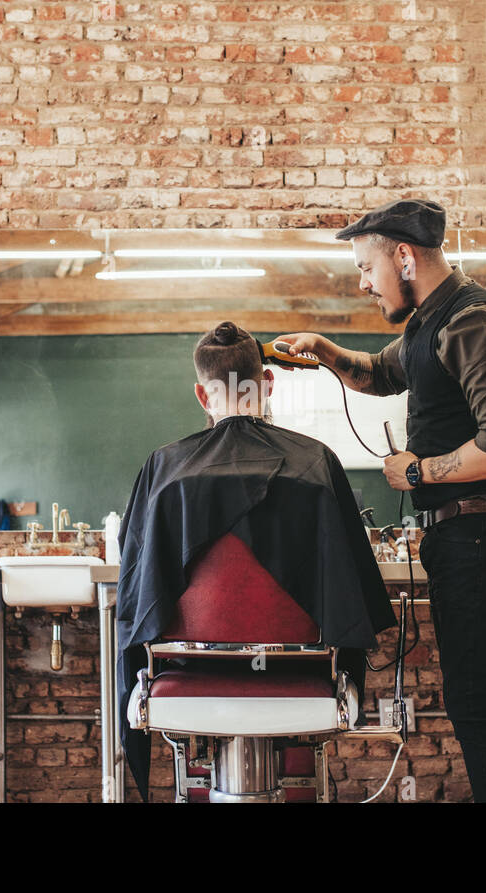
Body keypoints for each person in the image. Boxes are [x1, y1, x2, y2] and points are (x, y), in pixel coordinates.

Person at [278, 198, 486, 803]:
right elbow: (376, 372)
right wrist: (324, 350)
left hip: (484, 534)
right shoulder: (430, 322)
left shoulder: (473, 322)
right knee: (470, 700)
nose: (363, 283)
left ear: (403, 256)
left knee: (475, 703)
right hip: (463, 536)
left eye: (367, 268)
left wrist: (420, 471)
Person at [115, 321, 396, 801]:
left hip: (188, 672)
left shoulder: (164, 469)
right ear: (267, 384)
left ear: (203, 396)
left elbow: (136, 585)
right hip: (300, 672)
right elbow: (349, 584)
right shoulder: (316, 463)